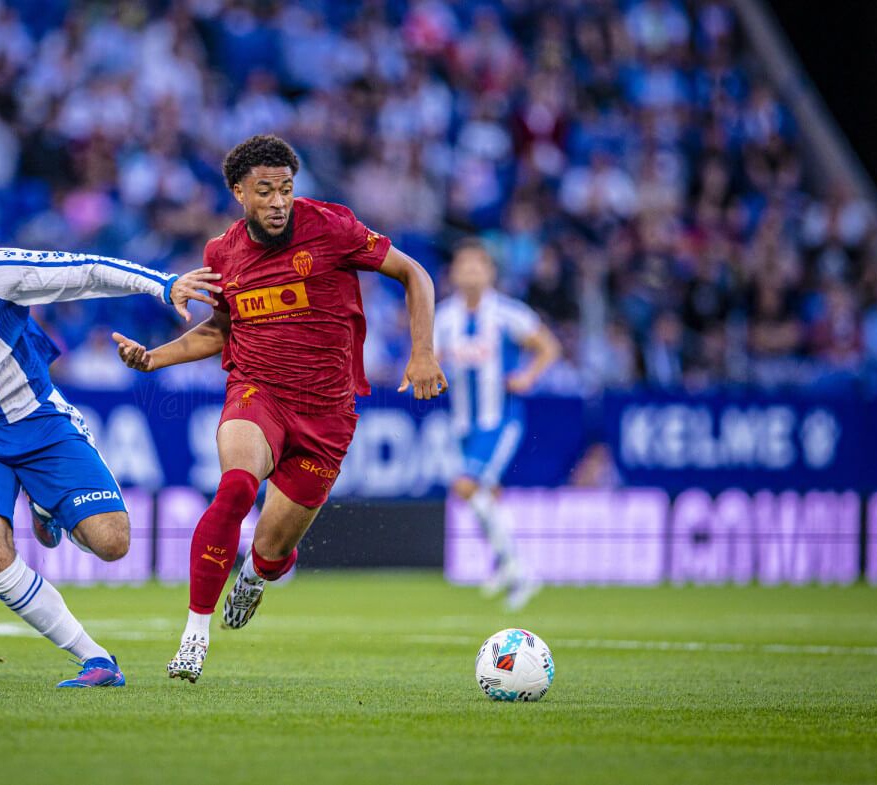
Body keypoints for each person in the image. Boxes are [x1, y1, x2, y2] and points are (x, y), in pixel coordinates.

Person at [113, 135, 447, 682]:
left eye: (286, 190)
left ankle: (257, 574)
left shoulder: (333, 228)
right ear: (239, 192)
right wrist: (154, 359)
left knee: (271, 551)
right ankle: (194, 638)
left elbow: (416, 274)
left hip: (327, 415)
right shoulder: (222, 253)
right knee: (237, 486)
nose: (277, 201)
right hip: (256, 392)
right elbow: (223, 329)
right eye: (264, 191)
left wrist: (423, 351)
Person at [0, 192, 220, 687]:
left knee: (113, 544)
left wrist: (164, 285)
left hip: (42, 421)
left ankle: (48, 509)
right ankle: (96, 659)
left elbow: (86, 270)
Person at [433, 239, 561, 609]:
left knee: (466, 485)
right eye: (464, 265)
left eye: (478, 265)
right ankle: (508, 564)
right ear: (454, 272)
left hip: (499, 419)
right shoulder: (444, 318)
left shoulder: (508, 313)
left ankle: (519, 569)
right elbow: (433, 358)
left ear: (490, 272)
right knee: (486, 496)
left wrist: (528, 376)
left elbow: (548, 347)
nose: (471, 271)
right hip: (463, 422)